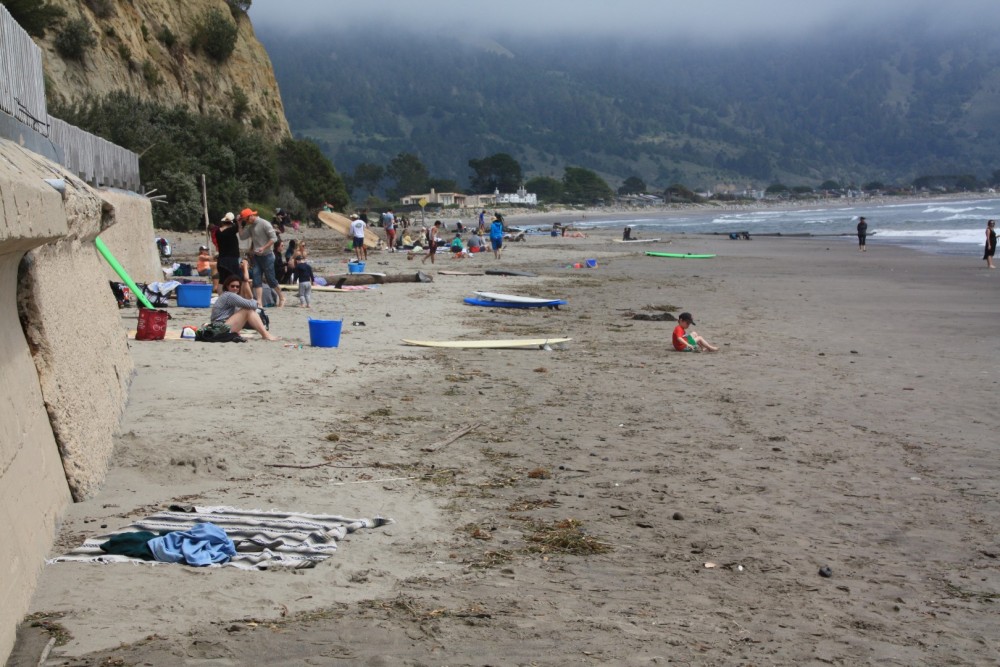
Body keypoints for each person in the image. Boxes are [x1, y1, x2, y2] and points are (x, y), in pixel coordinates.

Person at [238, 208, 284, 307]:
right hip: (257, 257)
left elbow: (274, 238)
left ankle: (282, 297)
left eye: (246, 219)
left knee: (271, 279)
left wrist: (263, 247)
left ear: (251, 216)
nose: (246, 221)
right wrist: (239, 224)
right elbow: (242, 237)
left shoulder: (264, 223)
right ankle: (259, 302)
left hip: (267, 255)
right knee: (256, 278)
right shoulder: (251, 227)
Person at [211, 276, 279, 341]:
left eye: (237, 287)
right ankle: (266, 335)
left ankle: (265, 334)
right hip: (220, 329)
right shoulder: (229, 295)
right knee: (247, 310)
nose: (235, 288)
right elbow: (251, 304)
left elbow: (249, 299)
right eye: (232, 286)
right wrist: (256, 302)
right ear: (227, 286)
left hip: (221, 327)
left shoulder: (227, 295)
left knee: (247, 309)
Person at [214, 212, 242, 290]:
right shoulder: (231, 230)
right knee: (235, 279)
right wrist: (238, 220)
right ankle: (234, 297)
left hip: (221, 258)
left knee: (222, 280)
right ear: (231, 222)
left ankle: (221, 298)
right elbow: (239, 224)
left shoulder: (217, 232)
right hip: (232, 259)